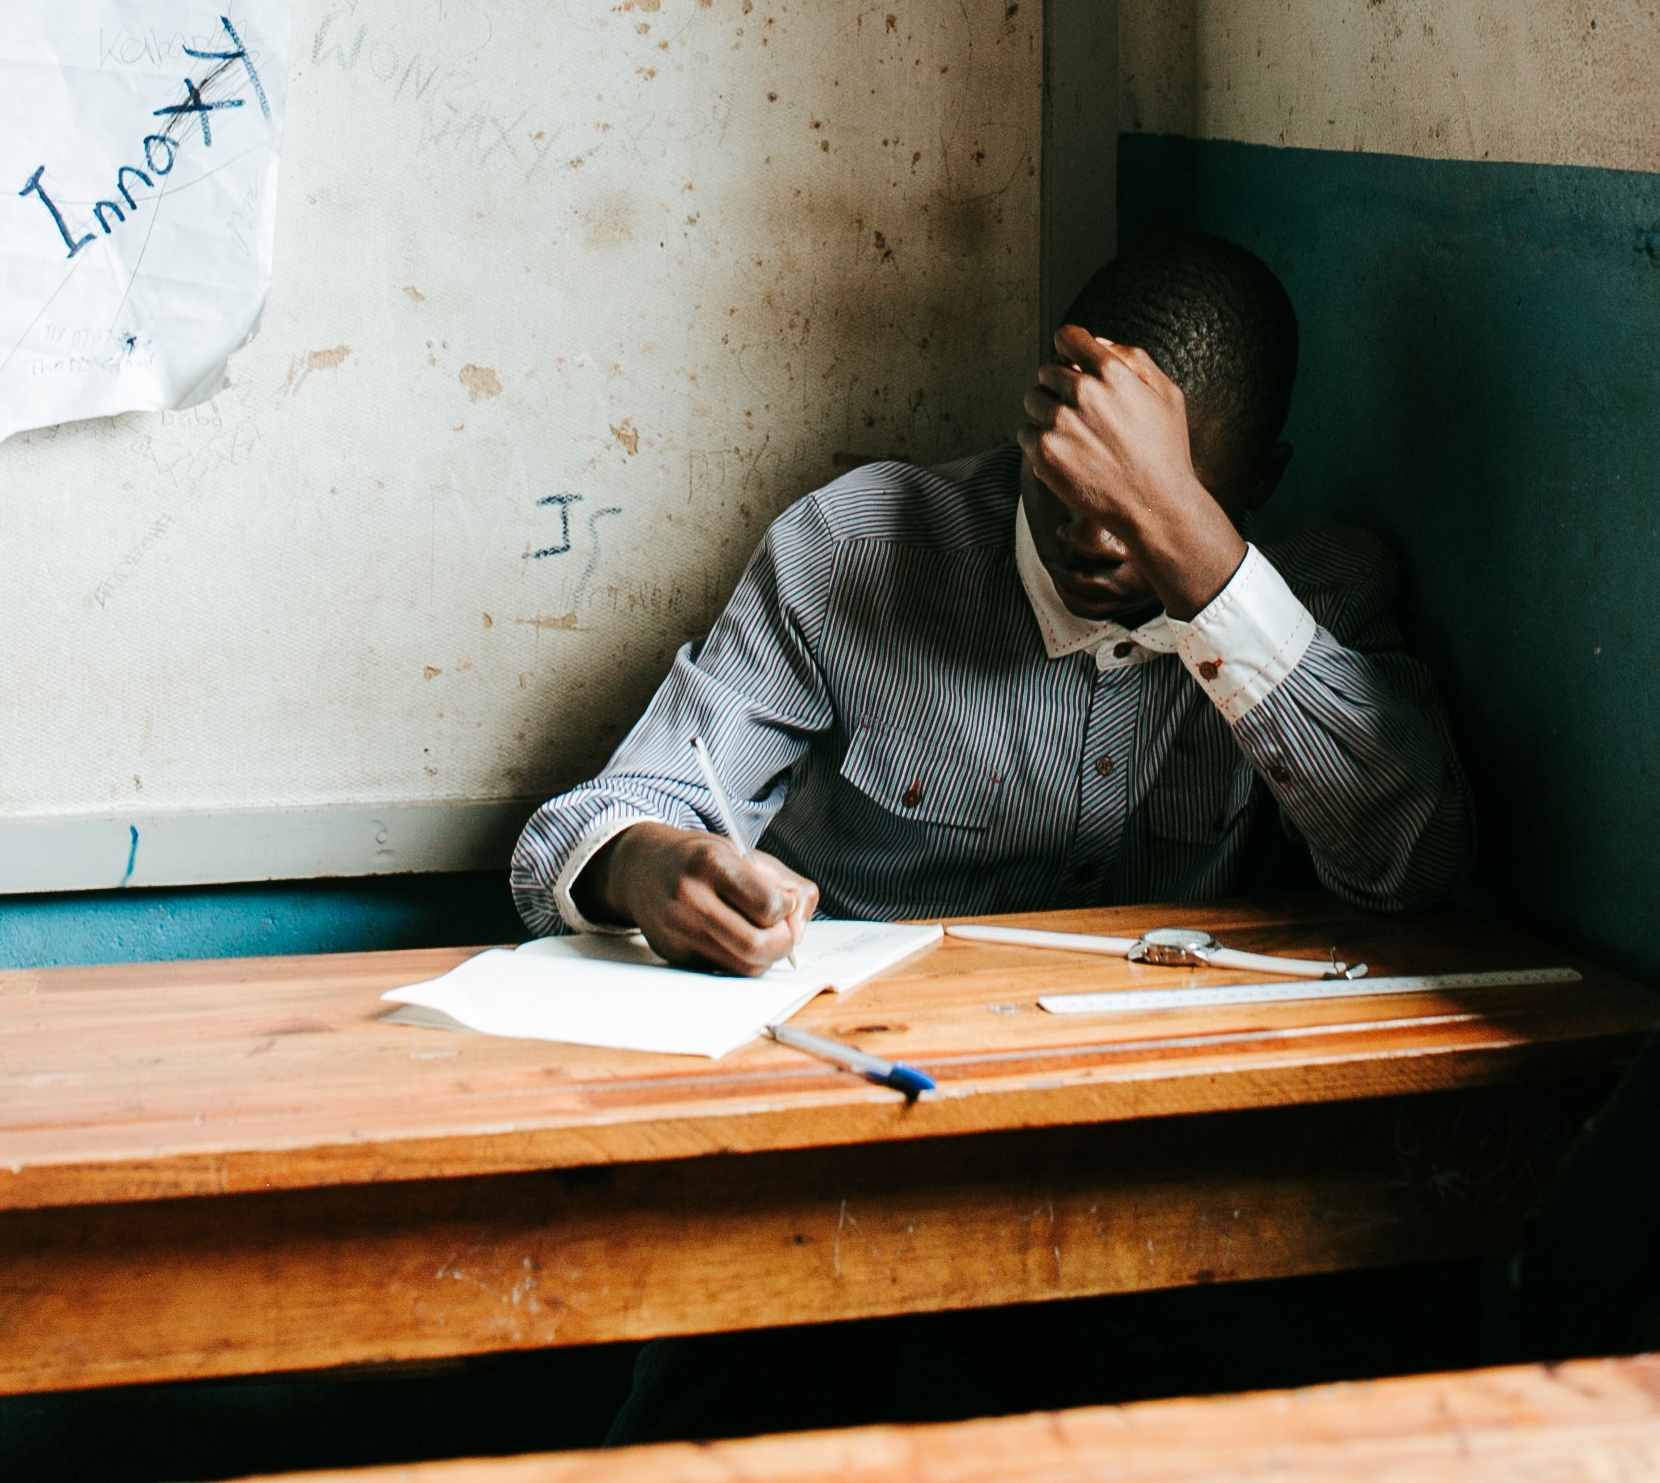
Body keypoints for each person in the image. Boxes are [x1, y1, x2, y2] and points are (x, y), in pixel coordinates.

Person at [511, 231, 1472, 971]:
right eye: (1072, 476)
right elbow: (608, 812)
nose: (1096, 538)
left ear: (1256, 484)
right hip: (865, 1064)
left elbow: (1414, 867)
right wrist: (649, 868)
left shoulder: (1321, 592)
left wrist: (1195, 551)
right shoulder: (854, 548)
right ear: (1040, 412)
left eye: (1144, 503)